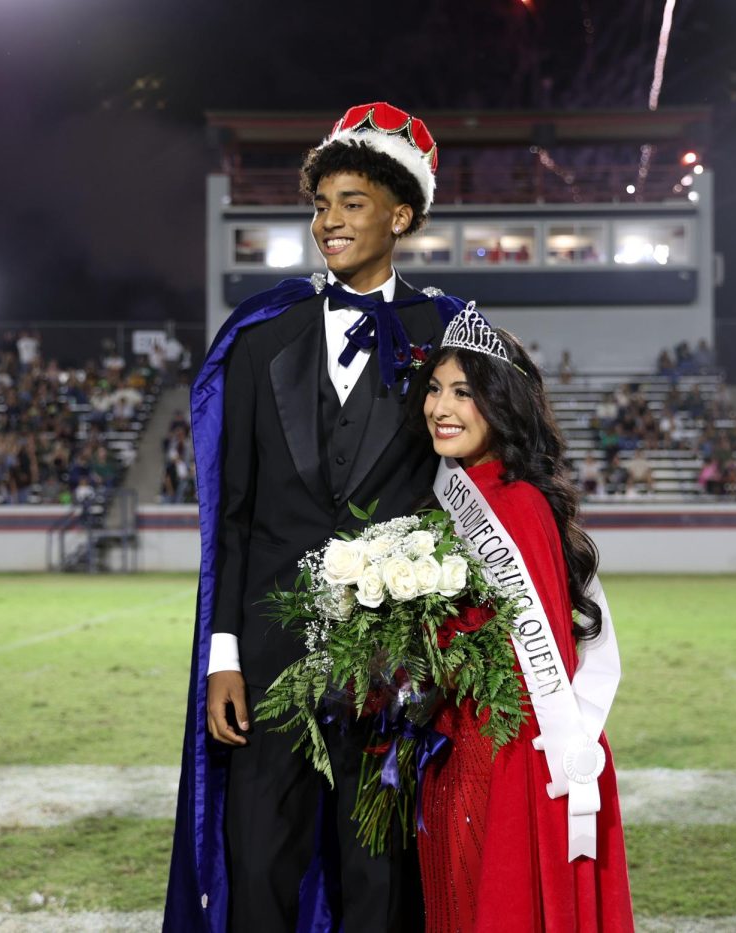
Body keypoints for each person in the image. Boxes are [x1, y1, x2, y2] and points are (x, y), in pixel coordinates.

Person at [164, 102, 465, 933]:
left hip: (391, 666)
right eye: (320, 204)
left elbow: (474, 494)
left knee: (380, 877)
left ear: (401, 215)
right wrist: (221, 658)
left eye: (352, 203)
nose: (328, 221)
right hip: (264, 662)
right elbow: (232, 514)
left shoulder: (449, 334)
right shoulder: (262, 336)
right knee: (259, 861)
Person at [410, 307, 633, 932]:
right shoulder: (462, 490)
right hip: (465, 743)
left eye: (463, 392)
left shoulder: (516, 502)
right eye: (435, 389)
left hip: (512, 752)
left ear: (500, 405)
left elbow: (537, 656)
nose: (441, 407)